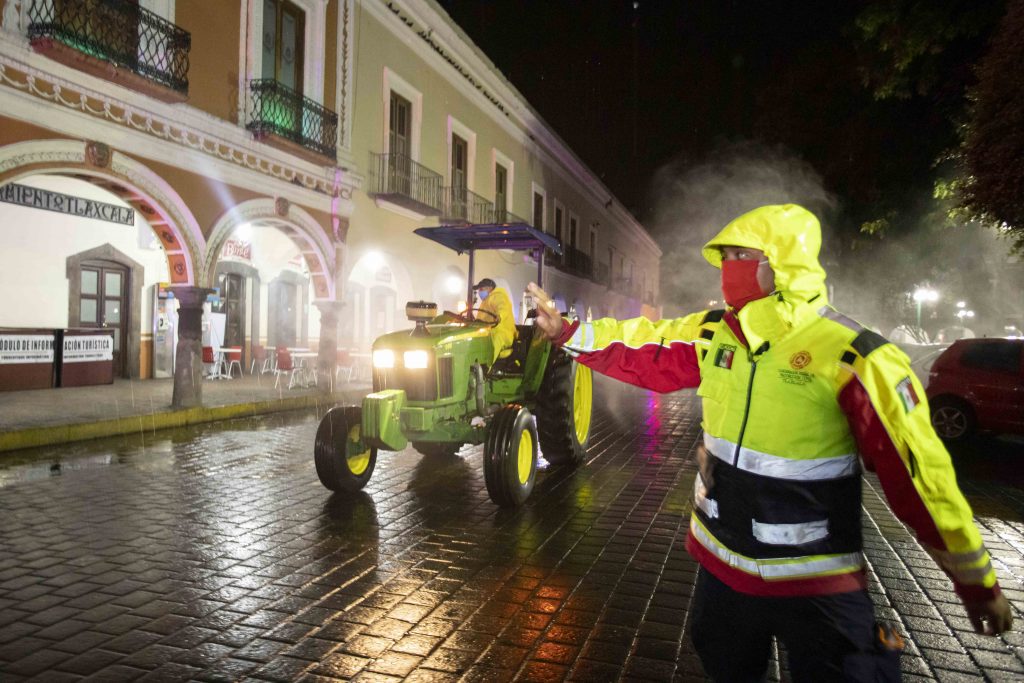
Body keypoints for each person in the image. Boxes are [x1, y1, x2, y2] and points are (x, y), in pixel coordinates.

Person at [527, 204, 1011, 681]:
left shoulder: (856, 354)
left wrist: (974, 579)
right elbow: (645, 345)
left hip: (816, 584)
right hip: (722, 572)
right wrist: (566, 331)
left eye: (741, 255)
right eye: (727, 257)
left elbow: (920, 477)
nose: (728, 269)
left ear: (780, 264)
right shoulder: (717, 332)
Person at [473, 278, 517, 364]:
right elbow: (482, 318)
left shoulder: (498, 296)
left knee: (494, 340)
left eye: (481, 289)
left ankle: (486, 367)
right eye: (479, 290)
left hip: (502, 331)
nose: (479, 292)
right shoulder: (485, 301)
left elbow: (503, 308)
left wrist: (499, 316)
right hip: (489, 330)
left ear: (489, 288)